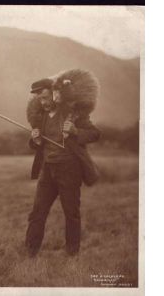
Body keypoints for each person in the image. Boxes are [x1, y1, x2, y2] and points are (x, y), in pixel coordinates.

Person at [25, 78, 101, 257]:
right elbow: (37, 144)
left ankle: (72, 254)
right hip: (47, 170)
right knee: (37, 212)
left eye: (45, 98)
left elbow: (95, 134)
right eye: (40, 100)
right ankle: (29, 253)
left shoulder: (73, 114)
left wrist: (76, 131)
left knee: (71, 213)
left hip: (69, 170)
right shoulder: (40, 117)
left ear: (55, 93)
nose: (43, 103)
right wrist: (35, 140)